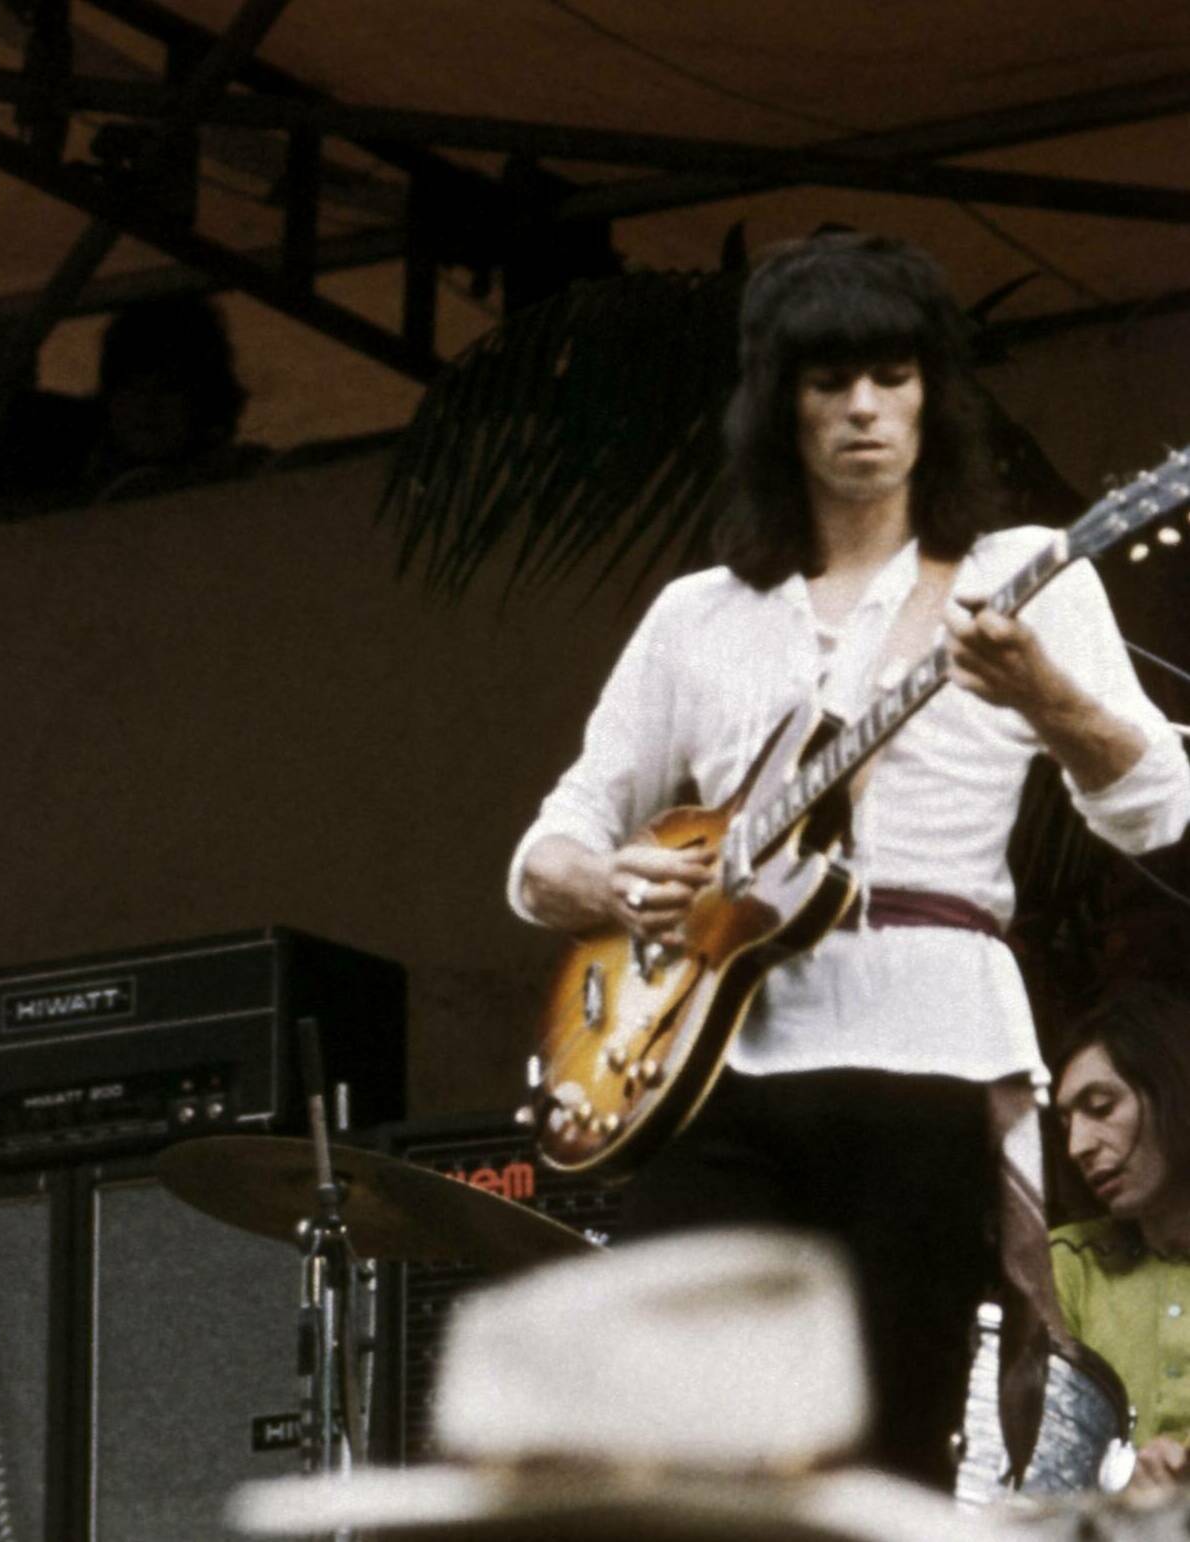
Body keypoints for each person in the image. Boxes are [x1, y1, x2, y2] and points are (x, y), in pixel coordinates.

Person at [508, 232, 1190, 1486]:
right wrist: (608, 882)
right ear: (782, 409)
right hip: (713, 1073)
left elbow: (1155, 807)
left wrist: (1045, 692)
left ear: (935, 391)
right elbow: (550, 846)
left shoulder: (1014, 576)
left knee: (887, 1455)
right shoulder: (696, 617)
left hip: (925, 1062)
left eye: (893, 375)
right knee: (683, 1451)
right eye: (831, 383)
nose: (866, 409)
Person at [1050, 983, 1190, 1493]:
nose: (1077, 1146)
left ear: (1174, 1087)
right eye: (1065, 1122)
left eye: (1101, 1107)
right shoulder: (1069, 1265)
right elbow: (1041, 1473)